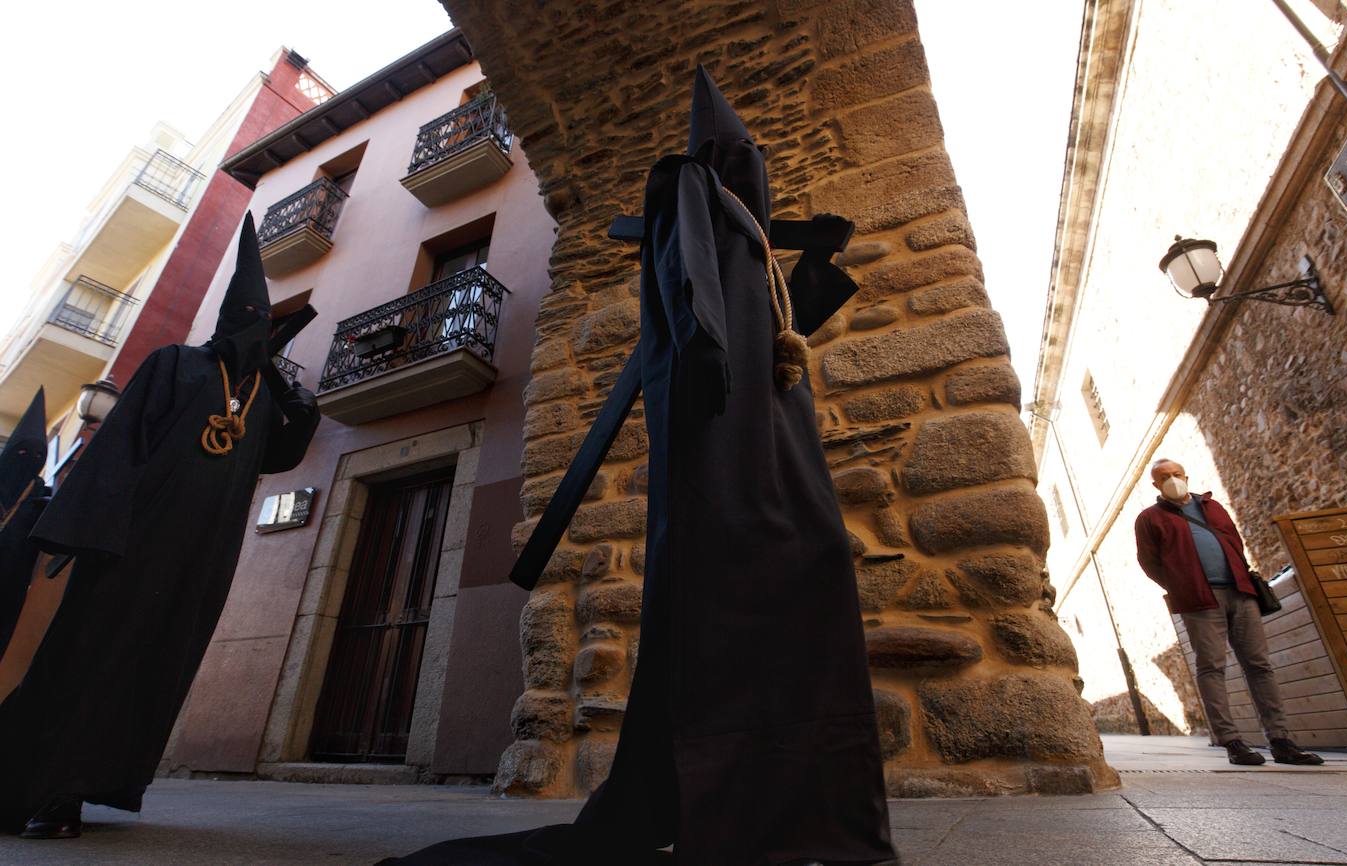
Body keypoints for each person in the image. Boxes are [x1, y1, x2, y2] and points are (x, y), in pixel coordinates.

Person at [379, 66, 896, 866]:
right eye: (743, 154)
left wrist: (817, 258)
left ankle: (812, 806)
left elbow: (789, 315)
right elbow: (691, 281)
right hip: (719, 417)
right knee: (738, 584)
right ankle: (737, 805)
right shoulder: (691, 187)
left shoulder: (754, 236)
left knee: (818, 563)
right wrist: (710, 356)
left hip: (775, 415)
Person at [0, 214, 321, 838]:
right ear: (230, 317)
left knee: (151, 671)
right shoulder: (176, 365)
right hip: (134, 546)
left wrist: (287, 389)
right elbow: (119, 446)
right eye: (248, 314)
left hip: (201, 557)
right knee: (90, 659)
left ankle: (96, 783)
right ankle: (47, 789)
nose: (256, 326)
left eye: (264, 319)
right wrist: (86, 535)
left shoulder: (257, 400)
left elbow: (282, 453)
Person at [1134, 458, 1323, 766]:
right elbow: (1149, 562)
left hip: (1241, 592)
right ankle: (1232, 741)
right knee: (1211, 668)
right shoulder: (1149, 519)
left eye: (1176, 474)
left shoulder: (1213, 507)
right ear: (1155, 485)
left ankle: (1281, 740)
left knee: (1259, 665)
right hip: (1200, 600)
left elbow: (1234, 542)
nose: (1172, 479)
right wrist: (1182, 586)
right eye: (1164, 477)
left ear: (1186, 475)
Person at [0, 388, 50, 658]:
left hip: (7, 594)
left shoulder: (40, 502)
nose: (29, 459)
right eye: (21, 453)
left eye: (37, 455)